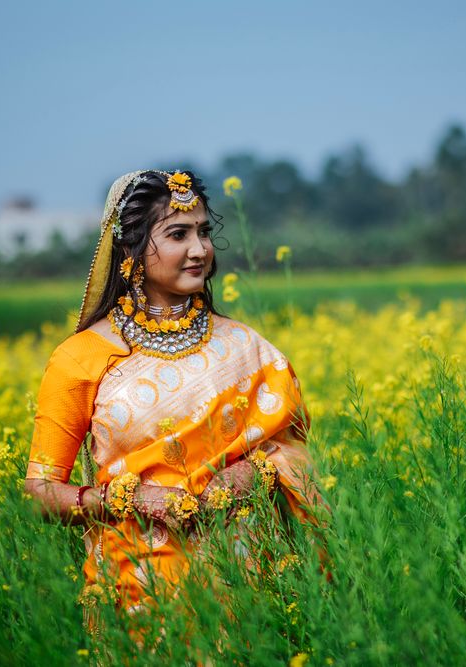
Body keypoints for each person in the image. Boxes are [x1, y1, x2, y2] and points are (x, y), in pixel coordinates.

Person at [23, 169, 326, 623]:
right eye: (178, 234)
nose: (200, 250)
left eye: (204, 232)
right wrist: (124, 500)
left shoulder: (245, 346)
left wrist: (258, 471)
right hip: (139, 592)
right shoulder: (81, 357)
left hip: (249, 584)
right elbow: (40, 492)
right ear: (129, 250)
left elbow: (291, 449)